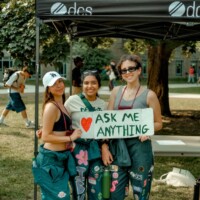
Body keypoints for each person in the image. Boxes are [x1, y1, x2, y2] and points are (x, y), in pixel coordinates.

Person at [101, 54, 163, 200]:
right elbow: (107, 121)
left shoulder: (149, 95)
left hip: (140, 149)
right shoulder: (116, 92)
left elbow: (158, 123)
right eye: (124, 70)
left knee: (140, 193)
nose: (128, 72)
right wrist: (104, 146)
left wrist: (147, 130)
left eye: (131, 69)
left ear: (139, 70)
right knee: (114, 194)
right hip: (117, 149)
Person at [32, 71, 82, 200]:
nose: (59, 85)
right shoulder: (51, 107)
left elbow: (51, 129)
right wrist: (70, 138)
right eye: (54, 84)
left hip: (61, 159)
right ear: (48, 89)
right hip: (50, 160)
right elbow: (46, 137)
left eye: (60, 81)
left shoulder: (62, 105)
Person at [64, 70, 107, 200]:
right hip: (77, 149)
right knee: (78, 186)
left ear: (99, 85)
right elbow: (62, 121)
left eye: (94, 83)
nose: (90, 86)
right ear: (82, 85)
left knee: (96, 187)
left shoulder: (103, 105)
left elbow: (106, 130)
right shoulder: (72, 101)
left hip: (96, 149)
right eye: (86, 83)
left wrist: (105, 146)